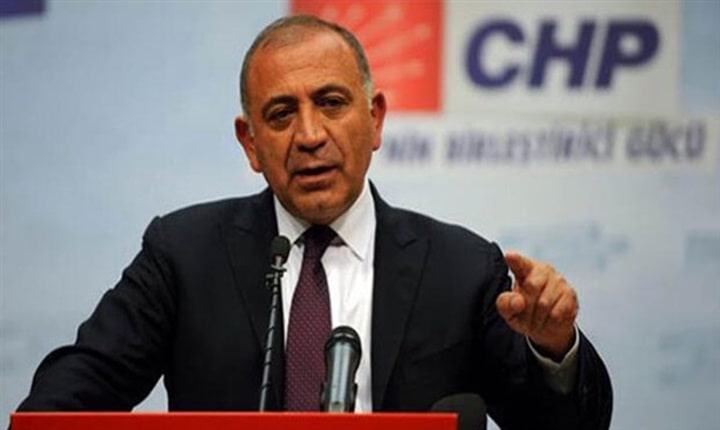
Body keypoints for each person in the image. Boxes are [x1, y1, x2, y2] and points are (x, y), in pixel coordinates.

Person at [16, 15, 612, 429]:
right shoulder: (183, 256)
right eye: (281, 114)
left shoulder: (461, 268)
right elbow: (61, 406)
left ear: (374, 120)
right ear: (250, 143)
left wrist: (552, 347)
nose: (308, 135)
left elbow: (567, 426)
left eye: (331, 103)